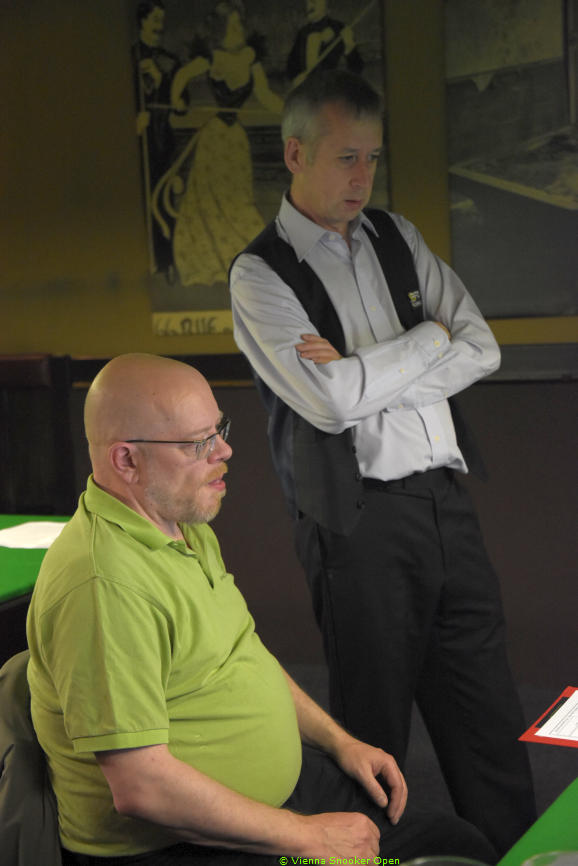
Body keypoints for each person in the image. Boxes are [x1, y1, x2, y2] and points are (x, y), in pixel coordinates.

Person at [229, 70, 536, 857]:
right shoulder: (260, 274)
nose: (362, 176)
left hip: (447, 505)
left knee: (490, 718)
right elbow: (330, 404)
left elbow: (483, 348)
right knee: (370, 738)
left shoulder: (399, 237)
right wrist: (430, 339)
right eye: (345, 157)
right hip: (356, 522)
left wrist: (369, 370)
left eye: (372, 157)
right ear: (295, 154)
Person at [26, 354, 497, 866]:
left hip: (276, 798)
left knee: (457, 846)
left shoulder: (180, 523)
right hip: (178, 842)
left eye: (219, 429)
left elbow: (242, 654)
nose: (225, 450)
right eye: (199, 442)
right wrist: (307, 837)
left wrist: (339, 741)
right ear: (126, 461)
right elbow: (143, 788)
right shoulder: (104, 585)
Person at [165, 0, 283, 294]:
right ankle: (213, 264)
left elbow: (265, 94)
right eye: (232, 26)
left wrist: (289, 111)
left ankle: (247, 265)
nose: (238, 30)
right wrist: (176, 99)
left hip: (235, 142)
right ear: (220, 30)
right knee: (207, 201)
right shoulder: (210, 58)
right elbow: (181, 76)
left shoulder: (250, 60)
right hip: (214, 139)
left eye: (239, 24)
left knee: (238, 201)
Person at [132, 0, 179, 276]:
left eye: (162, 21)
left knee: (164, 201)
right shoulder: (129, 57)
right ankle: (142, 262)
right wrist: (133, 118)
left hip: (162, 142)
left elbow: (180, 102)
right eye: (154, 20)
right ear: (142, 21)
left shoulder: (168, 60)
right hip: (136, 143)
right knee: (140, 202)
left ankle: (166, 261)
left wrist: (162, 82)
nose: (159, 27)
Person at [286, 0, 364, 86]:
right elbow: (291, 66)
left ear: (325, 3)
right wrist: (296, 78)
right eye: (307, 2)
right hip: (308, 89)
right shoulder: (303, 33)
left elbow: (357, 68)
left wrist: (349, 47)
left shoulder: (339, 28)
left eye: (313, 1)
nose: (309, 6)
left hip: (332, 88)